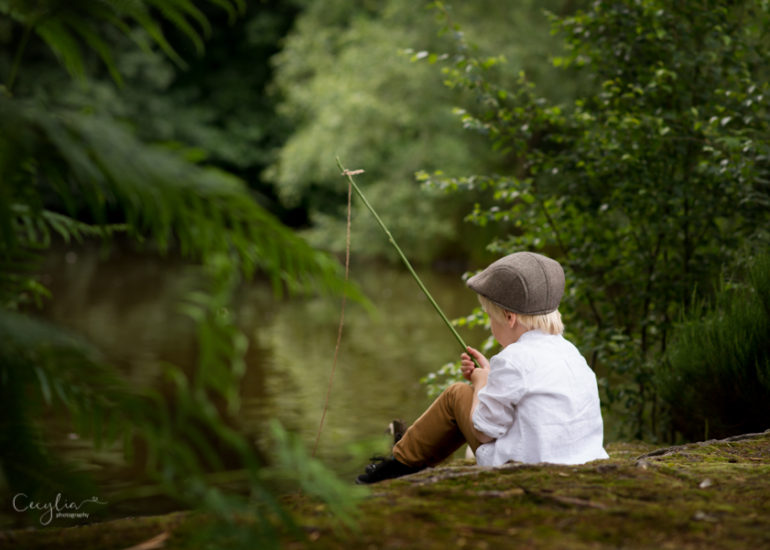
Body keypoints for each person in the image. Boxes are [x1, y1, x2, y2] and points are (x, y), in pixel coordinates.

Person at [356, 251, 609, 484]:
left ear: (510, 318)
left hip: (525, 468)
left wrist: (481, 382)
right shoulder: (571, 354)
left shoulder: (513, 359)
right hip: (582, 462)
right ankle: (408, 455)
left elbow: (484, 431)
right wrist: (490, 377)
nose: (489, 323)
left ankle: (396, 466)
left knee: (456, 395)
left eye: (490, 316)